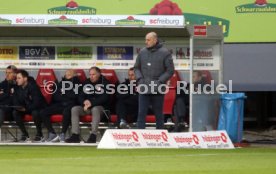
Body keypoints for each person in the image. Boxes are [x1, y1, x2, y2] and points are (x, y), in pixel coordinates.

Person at [134, 32, 174, 129]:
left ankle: (160, 136)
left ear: (155, 40)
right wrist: (140, 79)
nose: (146, 42)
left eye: (148, 40)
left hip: (158, 88)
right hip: (144, 87)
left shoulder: (165, 53)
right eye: (145, 40)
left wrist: (159, 81)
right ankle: (139, 136)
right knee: (141, 113)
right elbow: (136, 68)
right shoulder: (142, 52)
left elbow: (170, 70)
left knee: (158, 114)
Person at [65, 67, 110, 143]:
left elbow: (104, 98)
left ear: (99, 74)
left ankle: (93, 135)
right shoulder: (87, 82)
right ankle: (75, 135)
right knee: (74, 109)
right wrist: (84, 102)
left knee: (95, 109)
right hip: (87, 107)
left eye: (93, 74)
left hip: (100, 108)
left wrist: (91, 103)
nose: (91, 76)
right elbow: (80, 96)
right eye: (90, 74)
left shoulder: (105, 82)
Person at [39, 69, 80, 142]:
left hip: (70, 105)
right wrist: (65, 94)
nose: (67, 76)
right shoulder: (60, 83)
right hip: (59, 104)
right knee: (43, 112)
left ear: (74, 75)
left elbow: (75, 96)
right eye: (66, 74)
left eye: (69, 74)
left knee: (66, 112)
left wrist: (63, 93)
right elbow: (56, 96)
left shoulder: (77, 84)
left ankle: (63, 133)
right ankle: (52, 133)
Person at [12, 69, 47, 142]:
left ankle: (40, 134)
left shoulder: (33, 87)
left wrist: (26, 109)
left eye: (19, 78)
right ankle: (25, 134)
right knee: (15, 112)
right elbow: (15, 101)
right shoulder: (17, 88)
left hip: (37, 108)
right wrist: (18, 107)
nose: (17, 80)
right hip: (25, 108)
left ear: (25, 78)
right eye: (16, 78)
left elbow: (37, 103)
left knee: (35, 112)